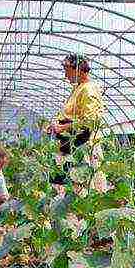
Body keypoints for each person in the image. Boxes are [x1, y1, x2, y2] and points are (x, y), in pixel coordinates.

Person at [45, 54, 105, 182]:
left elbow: (91, 122)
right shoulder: (78, 87)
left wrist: (62, 127)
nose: (66, 76)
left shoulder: (89, 89)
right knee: (67, 183)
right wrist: (56, 125)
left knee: (83, 184)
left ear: (78, 69)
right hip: (72, 146)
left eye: (68, 71)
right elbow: (71, 114)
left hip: (83, 146)